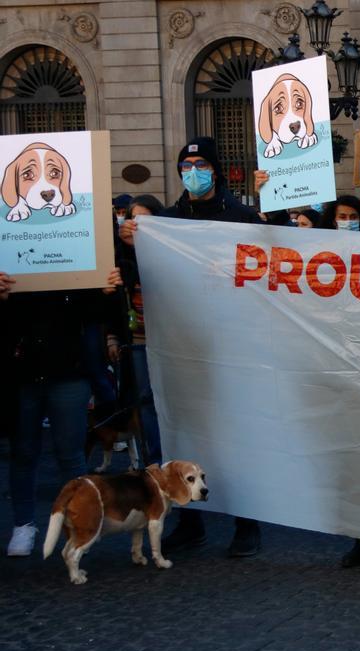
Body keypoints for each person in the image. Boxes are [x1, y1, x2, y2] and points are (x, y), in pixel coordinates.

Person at [158, 137, 263, 556]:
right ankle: (190, 520)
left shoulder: (241, 217)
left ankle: (247, 524)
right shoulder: (165, 221)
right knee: (185, 432)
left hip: (237, 344)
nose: (193, 171)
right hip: (184, 343)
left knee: (239, 436)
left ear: (216, 169)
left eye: (200, 163)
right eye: (186, 164)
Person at [2, 266, 125, 556]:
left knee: (71, 454)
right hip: (21, 372)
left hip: (69, 370)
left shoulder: (74, 268)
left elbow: (93, 316)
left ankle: (80, 526)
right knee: (23, 451)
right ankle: (23, 524)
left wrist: (106, 292)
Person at [116, 195, 167, 470]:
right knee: (145, 401)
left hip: (170, 339)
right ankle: (153, 461)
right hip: (139, 340)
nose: (138, 226)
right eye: (134, 219)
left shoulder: (171, 252)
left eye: (146, 220)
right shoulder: (121, 254)